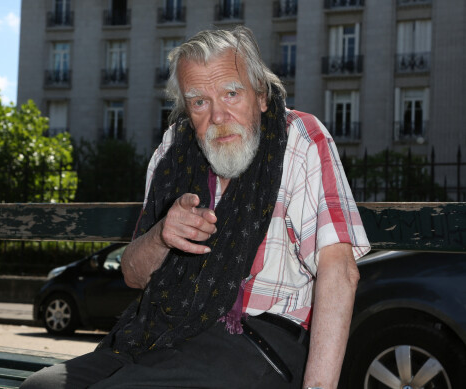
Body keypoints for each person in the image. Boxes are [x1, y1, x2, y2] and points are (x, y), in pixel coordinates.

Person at [21, 26, 370, 389]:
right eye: (200, 101)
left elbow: (340, 272)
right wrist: (161, 236)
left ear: (262, 95)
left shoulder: (299, 138)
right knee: (40, 387)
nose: (218, 116)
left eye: (231, 93)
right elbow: (133, 275)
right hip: (168, 329)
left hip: (259, 337)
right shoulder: (173, 152)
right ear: (187, 108)